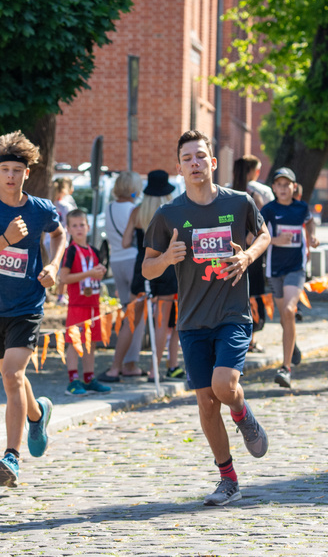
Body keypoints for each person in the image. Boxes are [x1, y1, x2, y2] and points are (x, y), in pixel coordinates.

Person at [142, 129, 271, 506]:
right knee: (205, 402)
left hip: (232, 313)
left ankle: (243, 414)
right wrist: (166, 259)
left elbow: (263, 235)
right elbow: (147, 268)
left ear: (213, 162)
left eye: (201, 156)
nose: (195, 164)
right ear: (179, 168)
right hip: (192, 321)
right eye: (187, 159)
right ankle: (228, 479)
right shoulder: (169, 215)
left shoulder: (240, 202)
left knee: (224, 386)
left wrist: (247, 257)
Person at [0, 130, 65, 488]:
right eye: (4, 169)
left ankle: (11, 456)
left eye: (16, 171)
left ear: (26, 174)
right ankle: (38, 415)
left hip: (26, 305)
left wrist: (53, 267)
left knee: (12, 377)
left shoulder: (40, 210)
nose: (10, 176)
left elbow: (59, 234)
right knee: (14, 377)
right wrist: (5, 239)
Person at [99, 170, 181, 382]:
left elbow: (126, 242)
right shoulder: (173, 212)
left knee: (131, 319)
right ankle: (154, 371)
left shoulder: (138, 211)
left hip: (143, 267)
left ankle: (114, 369)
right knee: (162, 321)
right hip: (167, 268)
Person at [261, 167, 318, 388]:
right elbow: (253, 236)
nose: (283, 189)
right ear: (274, 188)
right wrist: (275, 240)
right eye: (279, 185)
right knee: (284, 317)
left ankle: (285, 368)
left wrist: (312, 237)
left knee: (288, 310)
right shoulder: (268, 210)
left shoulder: (301, 208)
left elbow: (310, 221)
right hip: (274, 269)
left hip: (296, 268)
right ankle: (291, 345)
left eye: (287, 185)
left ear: (294, 187)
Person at [60, 209, 111, 396]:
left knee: (91, 342)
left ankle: (89, 378)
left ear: (88, 227)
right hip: (77, 305)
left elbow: (94, 273)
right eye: (74, 225)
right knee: (75, 342)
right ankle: (73, 380)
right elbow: (64, 277)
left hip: (93, 305)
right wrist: (89, 274)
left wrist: (99, 272)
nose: (79, 228)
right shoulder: (70, 251)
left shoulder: (94, 251)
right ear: (69, 229)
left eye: (82, 224)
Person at [231, 155, 269, 354]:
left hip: (229, 251)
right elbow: (259, 228)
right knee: (253, 295)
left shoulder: (226, 192)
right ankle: (251, 340)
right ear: (251, 172)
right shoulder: (254, 196)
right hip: (250, 254)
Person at [51, 176, 76, 305]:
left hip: (48, 240)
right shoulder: (66, 206)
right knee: (63, 270)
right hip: (63, 241)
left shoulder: (50, 204)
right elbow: (71, 224)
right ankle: (60, 296)